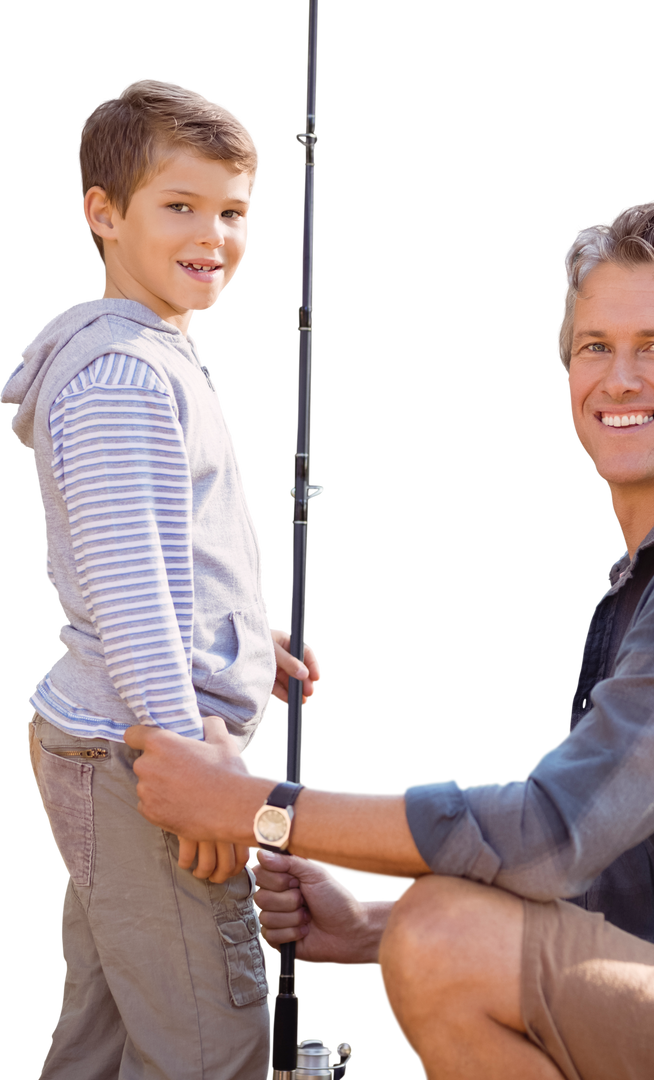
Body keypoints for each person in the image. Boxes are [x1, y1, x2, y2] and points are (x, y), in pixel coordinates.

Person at [122, 196, 654, 1080]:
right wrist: (368, 927)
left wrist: (252, 806)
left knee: (446, 939)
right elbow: (612, 877)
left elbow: (552, 836)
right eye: (596, 347)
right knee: (429, 922)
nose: (619, 378)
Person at [3, 76, 323, 1080]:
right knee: (210, 1046)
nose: (213, 236)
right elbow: (132, 599)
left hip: (113, 745)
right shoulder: (121, 378)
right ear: (103, 213)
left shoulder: (152, 350)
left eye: (233, 212)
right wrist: (198, 778)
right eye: (179, 206)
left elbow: (160, 564)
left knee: (102, 1035)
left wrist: (237, 645)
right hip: (140, 762)